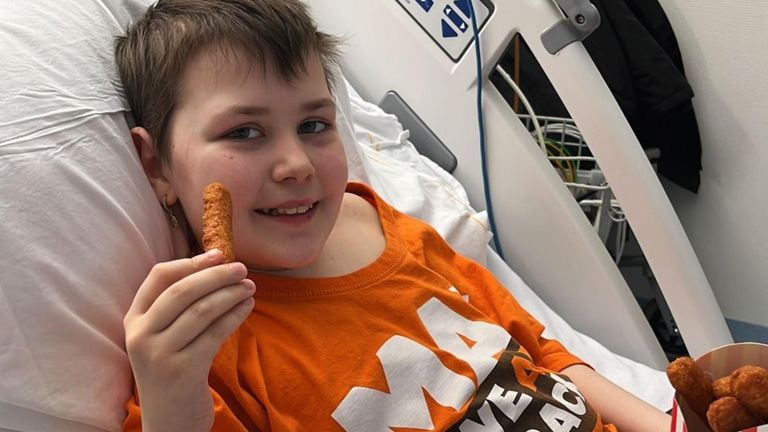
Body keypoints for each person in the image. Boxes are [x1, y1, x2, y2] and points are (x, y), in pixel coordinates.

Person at [115, 0, 672, 430]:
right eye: (243, 132)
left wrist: (663, 423)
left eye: (313, 125)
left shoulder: (385, 225)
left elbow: (539, 350)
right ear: (156, 164)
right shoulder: (199, 355)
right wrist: (170, 400)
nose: (296, 164)